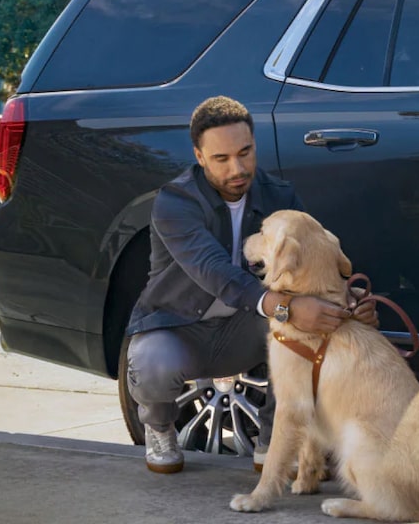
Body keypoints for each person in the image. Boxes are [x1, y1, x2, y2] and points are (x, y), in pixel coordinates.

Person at [125, 95, 376, 474]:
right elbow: (215, 271)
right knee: (151, 362)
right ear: (199, 155)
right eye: (221, 159)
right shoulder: (175, 202)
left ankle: (274, 439)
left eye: (245, 153)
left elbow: (309, 266)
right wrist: (287, 308)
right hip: (179, 328)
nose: (238, 168)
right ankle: (159, 426)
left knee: (316, 332)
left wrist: (345, 303)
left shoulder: (279, 196)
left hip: (247, 329)